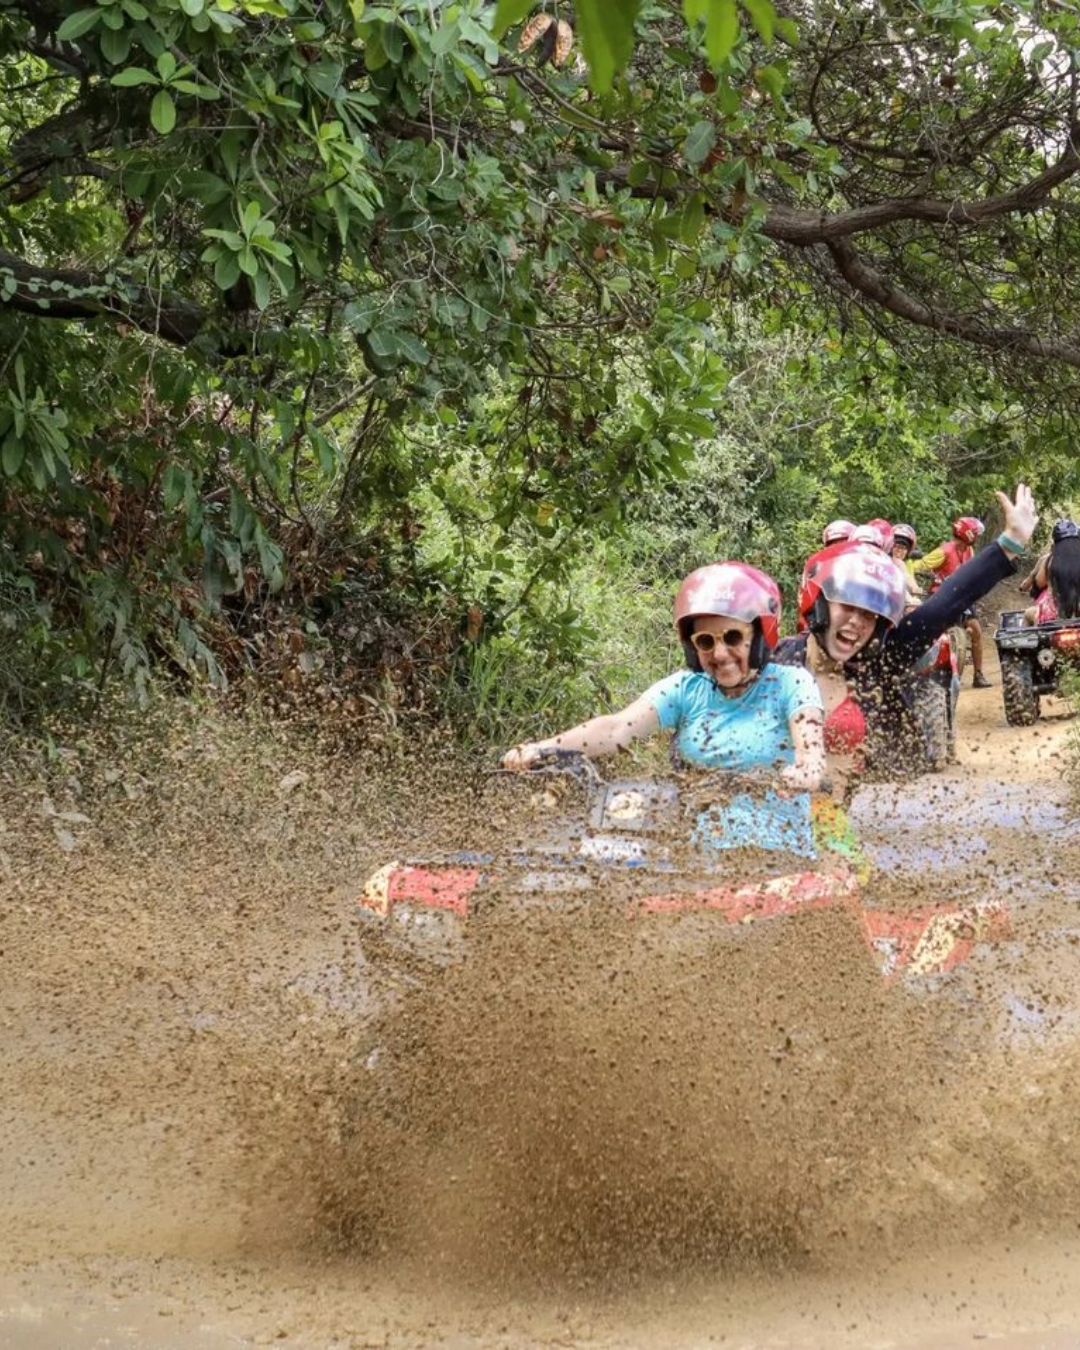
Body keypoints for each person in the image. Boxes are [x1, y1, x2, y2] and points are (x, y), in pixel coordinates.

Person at [503, 563, 826, 857]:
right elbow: (618, 728)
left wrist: (806, 770)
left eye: (732, 637)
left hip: (776, 856)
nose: (720, 653)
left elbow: (811, 747)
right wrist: (543, 748)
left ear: (759, 635)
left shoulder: (792, 683)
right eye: (705, 642)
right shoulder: (687, 688)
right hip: (695, 854)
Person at [774, 485, 1038, 782]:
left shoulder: (884, 657)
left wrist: (1010, 543)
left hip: (835, 819)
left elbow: (948, 602)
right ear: (818, 603)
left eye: (869, 614)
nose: (856, 623)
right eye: (847, 607)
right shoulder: (776, 661)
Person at [914, 516, 992, 687]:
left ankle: (978, 675)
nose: (977, 536)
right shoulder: (944, 551)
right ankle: (924, 671)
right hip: (941, 594)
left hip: (962, 596)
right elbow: (919, 566)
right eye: (975, 533)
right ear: (969, 534)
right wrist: (932, 575)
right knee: (931, 633)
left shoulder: (968, 551)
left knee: (976, 632)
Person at [1024, 519, 1080, 624]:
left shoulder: (1049, 561)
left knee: (1027, 615)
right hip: (1078, 611)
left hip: (1053, 614)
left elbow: (1039, 583)